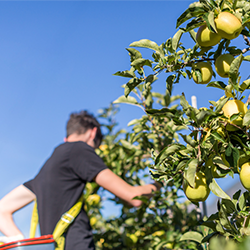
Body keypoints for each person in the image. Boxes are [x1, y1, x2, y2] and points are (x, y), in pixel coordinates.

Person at [0, 110, 160, 249]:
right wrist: (160, 182)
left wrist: (23, 245)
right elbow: (134, 197)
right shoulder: (79, 149)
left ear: (66, 137)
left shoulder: (46, 169)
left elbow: (2, 210)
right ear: (93, 133)